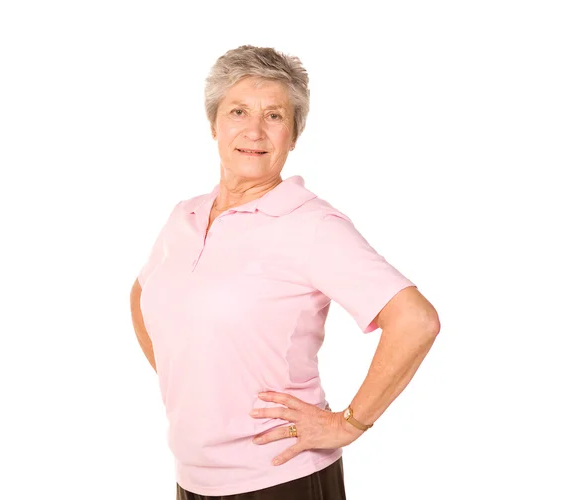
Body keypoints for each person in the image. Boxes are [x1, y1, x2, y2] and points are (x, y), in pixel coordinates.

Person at [130, 45, 441, 499]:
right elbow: (143, 296)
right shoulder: (185, 217)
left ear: (293, 135)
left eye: (274, 116)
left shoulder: (310, 225)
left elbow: (415, 321)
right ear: (214, 124)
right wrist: (187, 383)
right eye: (238, 111)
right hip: (191, 476)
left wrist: (348, 423)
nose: (254, 130)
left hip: (281, 477)